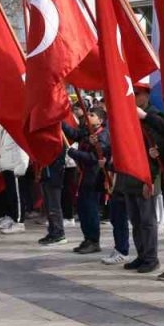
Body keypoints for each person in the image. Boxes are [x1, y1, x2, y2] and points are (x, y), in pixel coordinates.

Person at [119, 85, 164, 275]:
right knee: (135, 219)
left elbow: (161, 142)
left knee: (147, 220)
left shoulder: (154, 116)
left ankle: (151, 258)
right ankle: (141, 254)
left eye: (136, 94)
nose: (133, 97)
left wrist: (152, 177)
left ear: (146, 95)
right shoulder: (128, 116)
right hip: (130, 173)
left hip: (148, 173)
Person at [67, 108, 110, 255]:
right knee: (82, 209)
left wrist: (75, 153)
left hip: (94, 178)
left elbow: (94, 158)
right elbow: (74, 134)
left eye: (92, 115)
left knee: (91, 210)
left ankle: (94, 240)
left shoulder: (103, 135)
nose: (88, 116)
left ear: (100, 120)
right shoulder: (87, 132)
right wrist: (59, 122)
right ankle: (87, 238)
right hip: (83, 177)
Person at [0, 124, 30, 235]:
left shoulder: (16, 128)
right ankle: (13, 218)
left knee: (18, 197)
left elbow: (23, 149)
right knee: (11, 195)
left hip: (15, 168)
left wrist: (21, 167)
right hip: (7, 166)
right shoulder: (4, 128)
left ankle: (19, 223)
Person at [36, 146, 69, 246]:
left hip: (54, 176)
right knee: (48, 206)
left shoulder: (58, 140)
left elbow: (58, 158)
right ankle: (52, 231)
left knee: (54, 206)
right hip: (46, 175)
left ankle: (59, 233)